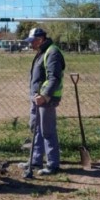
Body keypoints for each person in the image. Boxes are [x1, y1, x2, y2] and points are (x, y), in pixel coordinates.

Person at [20, 27, 65, 176]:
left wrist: (45, 95)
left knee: (47, 130)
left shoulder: (52, 52)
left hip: (46, 99)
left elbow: (54, 78)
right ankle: (35, 160)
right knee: (36, 128)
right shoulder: (42, 52)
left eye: (33, 41)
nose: (31, 44)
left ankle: (53, 164)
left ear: (40, 40)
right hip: (37, 98)